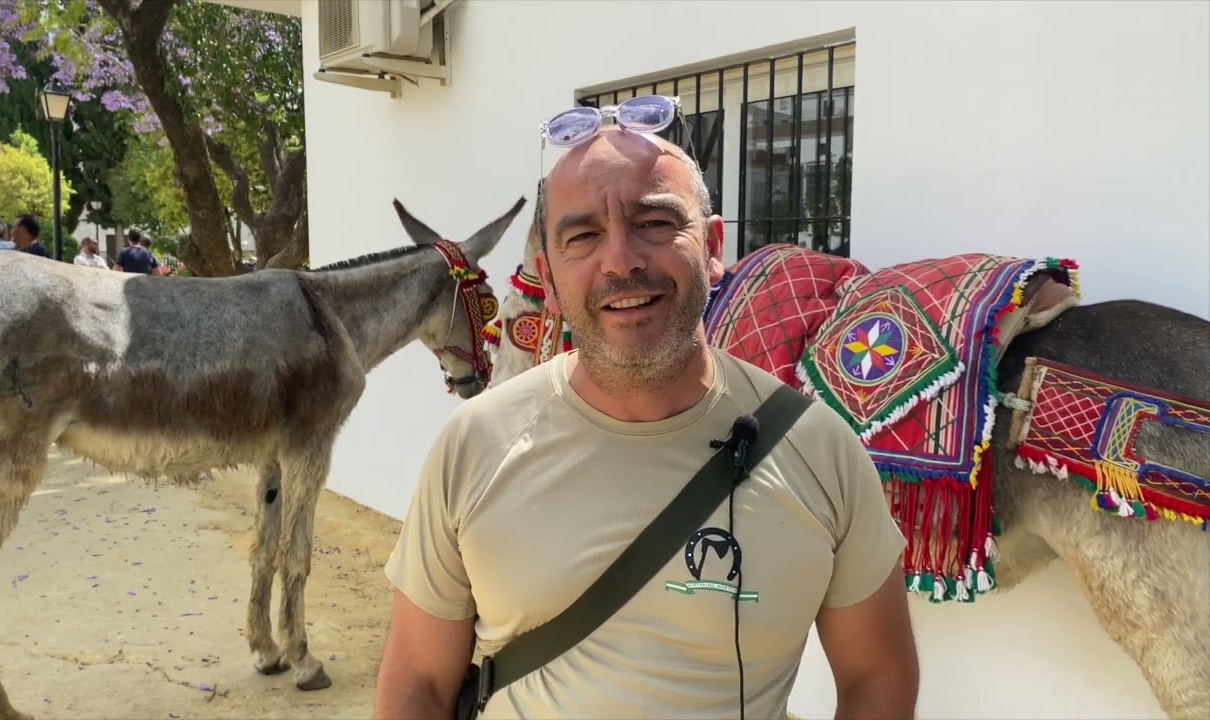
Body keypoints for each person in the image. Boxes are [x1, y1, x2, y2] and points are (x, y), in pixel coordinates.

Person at [375, 119, 919, 718]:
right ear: (547, 277)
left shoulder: (821, 452)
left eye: (655, 223)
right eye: (582, 235)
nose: (620, 260)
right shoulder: (473, 445)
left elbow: (878, 678)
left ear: (713, 249)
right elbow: (419, 681)